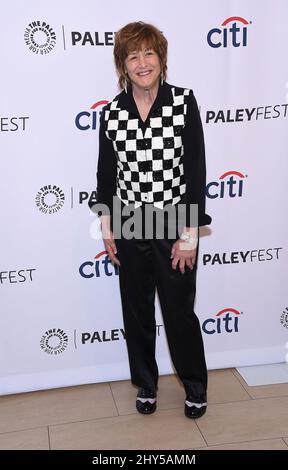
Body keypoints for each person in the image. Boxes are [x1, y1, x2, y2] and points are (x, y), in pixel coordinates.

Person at [90, 21, 212, 419]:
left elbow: (195, 170)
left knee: (179, 312)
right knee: (137, 312)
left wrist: (191, 233)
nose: (142, 63)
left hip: (174, 221)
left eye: (149, 53)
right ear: (122, 65)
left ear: (161, 59)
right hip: (128, 224)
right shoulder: (111, 112)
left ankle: (195, 385)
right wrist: (107, 226)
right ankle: (146, 384)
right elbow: (106, 175)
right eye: (132, 55)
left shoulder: (182, 102)